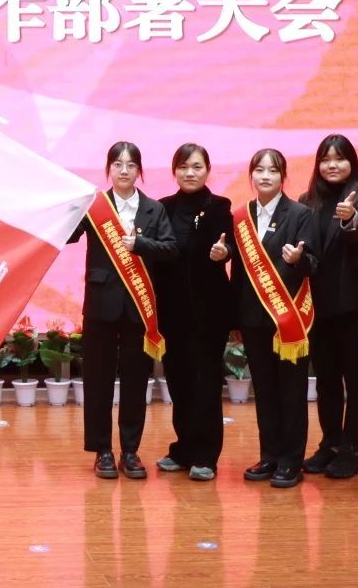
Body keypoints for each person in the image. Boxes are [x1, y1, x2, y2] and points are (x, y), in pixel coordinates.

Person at [68, 141, 177, 480]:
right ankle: (101, 450)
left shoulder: (154, 209)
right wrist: (68, 204)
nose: (124, 170)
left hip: (139, 309)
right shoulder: (95, 206)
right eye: (118, 164)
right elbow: (68, 236)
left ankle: (130, 451)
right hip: (101, 305)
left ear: (139, 170)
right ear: (109, 169)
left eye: (131, 165)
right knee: (97, 379)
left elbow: (170, 249)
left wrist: (140, 245)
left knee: (135, 380)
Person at [213, 148, 316, 488]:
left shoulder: (300, 213)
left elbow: (314, 264)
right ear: (252, 175)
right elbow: (239, 274)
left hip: (288, 319)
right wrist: (234, 319)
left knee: (292, 392)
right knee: (266, 391)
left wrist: (299, 260)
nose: (266, 176)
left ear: (283, 176)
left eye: (273, 170)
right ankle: (270, 455)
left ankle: (291, 461)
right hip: (253, 319)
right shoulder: (241, 216)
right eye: (260, 170)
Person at [297, 134, 358, 479]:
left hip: (352, 307)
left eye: (339, 159)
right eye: (326, 159)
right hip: (317, 307)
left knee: (356, 380)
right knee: (326, 379)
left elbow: (357, 237)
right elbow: (306, 250)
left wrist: (349, 219)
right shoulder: (306, 202)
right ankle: (330, 443)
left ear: (351, 163)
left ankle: (352, 449)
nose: (332, 165)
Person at [151, 143, 234, 481]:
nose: (190, 173)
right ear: (174, 171)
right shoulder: (162, 208)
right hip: (172, 312)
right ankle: (183, 449)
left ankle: (206, 455)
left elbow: (230, 246)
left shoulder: (219, 207)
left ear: (207, 170)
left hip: (209, 312)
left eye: (197, 167)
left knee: (206, 382)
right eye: (184, 167)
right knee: (179, 380)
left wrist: (224, 253)